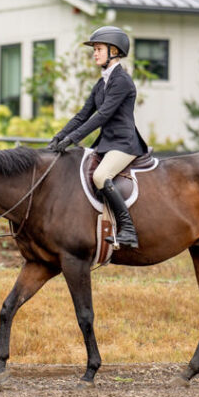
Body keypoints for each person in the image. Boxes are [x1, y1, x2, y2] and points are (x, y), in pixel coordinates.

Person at [46, 26, 149, 248]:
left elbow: (101, 116)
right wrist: (58, 137)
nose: (95, 53)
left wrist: (72, 139)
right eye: (94, 49)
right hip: (107, 143)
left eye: (99, 48)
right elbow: (83, 115)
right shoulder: (101, 83)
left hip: (124, 143)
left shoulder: (121, 81)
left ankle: (128, 230)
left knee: (101, 176)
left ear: (114, 51)